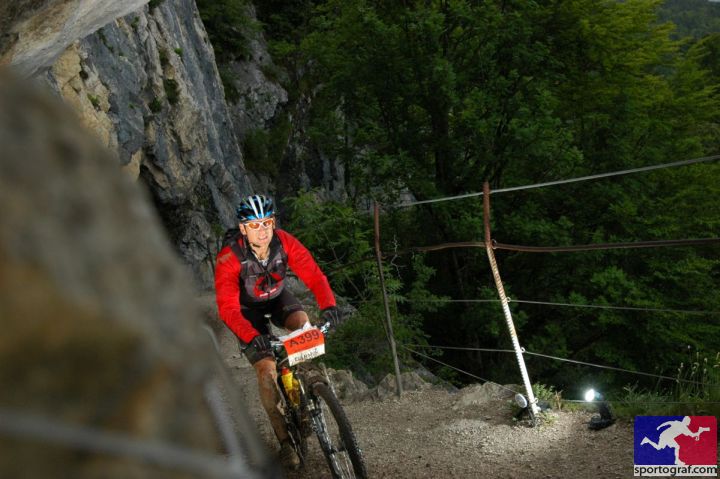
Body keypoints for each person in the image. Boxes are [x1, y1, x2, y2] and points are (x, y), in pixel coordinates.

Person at [214, 194, 342, 469]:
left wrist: (329, 306)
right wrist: (253, 337)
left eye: (267, 223)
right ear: (243, 228)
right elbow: (227, 309)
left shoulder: (284, 242)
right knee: (266, 370)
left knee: (302, 323)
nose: (263, 230)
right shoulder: (229, 258)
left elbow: (314, 276)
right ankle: (285, 441)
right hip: (246, 311)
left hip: (277, 297)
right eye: (255, 225)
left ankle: (306, 384)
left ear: (273, 223)